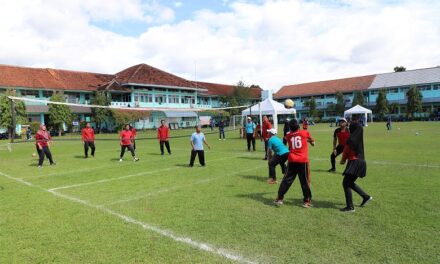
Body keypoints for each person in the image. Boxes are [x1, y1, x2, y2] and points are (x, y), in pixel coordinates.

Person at [274, 119, 315, 208]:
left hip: (292, 160)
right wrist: (311, 142)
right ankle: (306, 201)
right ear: (298, 126)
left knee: (286, 180)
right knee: (304, 181)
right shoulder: (305, 133)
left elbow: (285, 139)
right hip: (302, 161)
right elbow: (312, 141)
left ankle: (279, 198)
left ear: (290, 128)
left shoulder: (288, 135)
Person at [340, 115, 372, 212]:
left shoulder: (350, 139)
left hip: (354, 162)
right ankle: (366, 197)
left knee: (346, 183)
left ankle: (350, 207)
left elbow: (346, 150)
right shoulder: (359, 138)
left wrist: (343, 160)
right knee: (349, 182)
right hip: (362, 162)